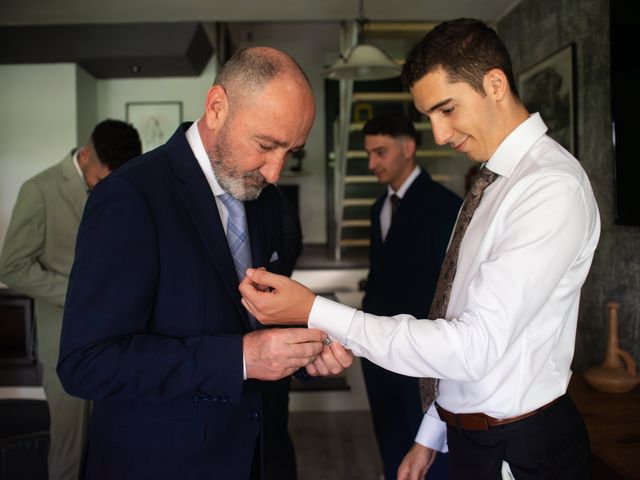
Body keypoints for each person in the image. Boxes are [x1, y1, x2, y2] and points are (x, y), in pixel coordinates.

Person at [240, 19, 600, 480]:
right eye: (430, 115)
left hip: (520, 451)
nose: (440, 135)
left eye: (447, 109)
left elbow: (474, 347)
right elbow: (453, 310)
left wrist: (316, 310)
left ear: (494, 84)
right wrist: (430, 435)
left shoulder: (549, 188)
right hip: (469, 435)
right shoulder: (492, 184)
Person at [56, 47, 352, 480]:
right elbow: (86, 363)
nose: (275, 173)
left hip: (258, 457)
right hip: (159, 464)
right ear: (216, 107)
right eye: (266, 145)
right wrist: (240, 359)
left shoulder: (264, 201)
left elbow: (258, 320)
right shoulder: (130, 197)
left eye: (291, 151)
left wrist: (305, 350)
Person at [0, 119, 142, 480]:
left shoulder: (126, 186)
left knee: (117, 445)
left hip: (121, 343)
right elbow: (12, 267)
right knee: (70, 453)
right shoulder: (40, 190)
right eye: (103, 177)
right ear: (85, 155)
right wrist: (81, 295)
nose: (109, 186)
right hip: (66, 344)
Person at [360, 112, 460, 480]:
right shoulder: (377, 209)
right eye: (369, 154)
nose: (372, 163)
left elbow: (450, 292)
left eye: (380, 152)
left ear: (409, 147)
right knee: (390, 451)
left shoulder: (445, 207)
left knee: (427, 459)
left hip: (422, 360)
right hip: (378, 358)